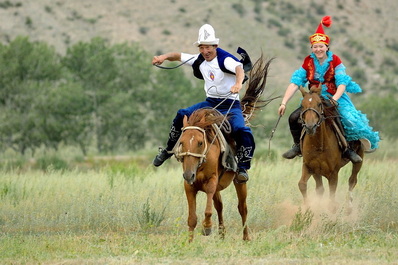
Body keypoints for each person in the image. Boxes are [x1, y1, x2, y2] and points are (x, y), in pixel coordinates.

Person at [151, 24, 254, 183]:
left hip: (230, 106)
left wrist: (238, 83)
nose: (205, 51)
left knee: (242, 130)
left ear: (215, 46)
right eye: (201, 47)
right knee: (181, 114)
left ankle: (242, 167)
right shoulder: (199, 59)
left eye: (208, 48)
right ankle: (169, 150)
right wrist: (163, 57)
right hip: (210, 103)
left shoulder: (224, 59)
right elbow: (178, 55)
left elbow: (239, 69)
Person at [278, 16, 380, 163]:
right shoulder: (308, 61)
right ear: (312, 48)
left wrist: (334, 99)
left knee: (347, 119)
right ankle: (297, 146)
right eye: (315, 46)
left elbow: (342, 84)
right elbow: (295, 83)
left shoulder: (336, 61)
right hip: (314, 97)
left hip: (334, 96)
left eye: (321, 46)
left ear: (327, 47)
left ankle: (348, 149)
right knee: (293, 118)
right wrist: (284, 102)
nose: (318, 49)